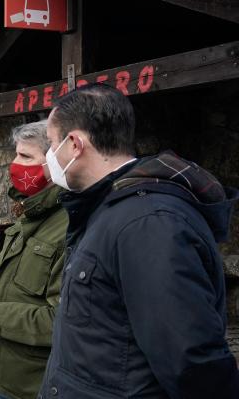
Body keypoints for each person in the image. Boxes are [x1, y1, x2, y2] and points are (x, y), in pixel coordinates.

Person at [39, 84, 239, 398]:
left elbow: (193, 363)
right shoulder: (109, 207)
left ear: (74, 143)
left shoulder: (147, 223)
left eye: (51, 143)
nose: (48, 157)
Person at [0, 120, 67, 399]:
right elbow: (0, 274)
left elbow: (61, 321)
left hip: (35, 385)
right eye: (16, 154)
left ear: (54, 164)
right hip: (0, 377)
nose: (14, 164)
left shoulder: (69, 226)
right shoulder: (28, 215)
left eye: (26, 156)